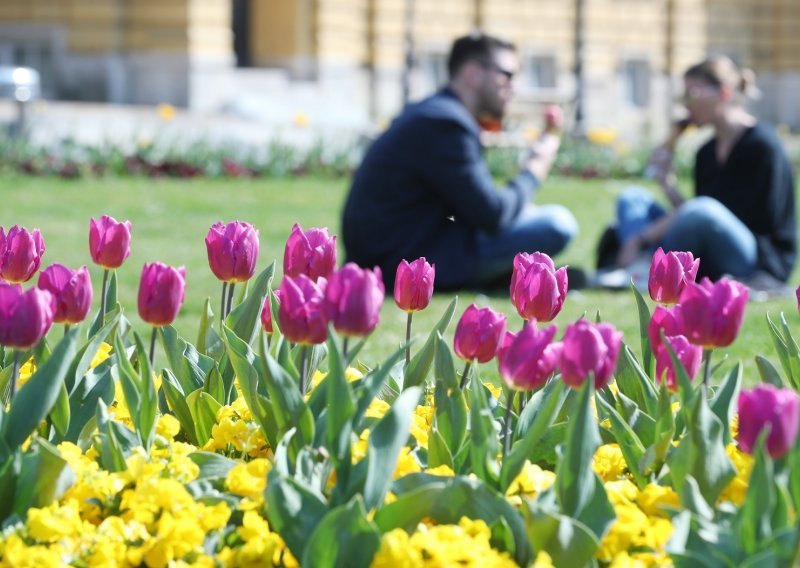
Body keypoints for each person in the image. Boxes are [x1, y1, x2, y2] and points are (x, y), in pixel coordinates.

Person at [341, 32, 578, 291]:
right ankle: (506, 279)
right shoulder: (446, 124)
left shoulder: (435, 113)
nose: (514, 86)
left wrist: (518, 208)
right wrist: (536, 165)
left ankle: (511, 277)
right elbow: (493, 215)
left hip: (401, 249)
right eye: (508, 75)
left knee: (534, 216)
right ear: (473, 73)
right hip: (402, 264)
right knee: (558, 223)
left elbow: (471, 206)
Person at [605, 54, 796, 291]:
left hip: (755, 260)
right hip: (709, 239)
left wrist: (641, 237)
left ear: (723, 93)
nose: (685, 105)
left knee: (701, 210)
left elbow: (713, 213)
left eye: (692, 95)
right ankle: (644, 267)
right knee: (633, 197)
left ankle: (649, 267)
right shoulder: (705, 152)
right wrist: (668, 185)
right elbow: (694, 219)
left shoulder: (762, 146)